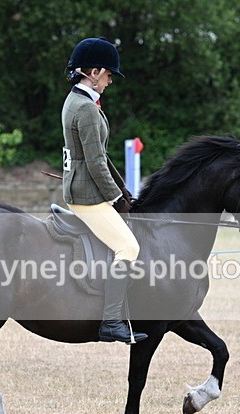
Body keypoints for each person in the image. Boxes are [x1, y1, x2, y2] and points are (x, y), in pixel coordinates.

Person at [61, 37, 147, 344]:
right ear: (94, 72)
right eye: (109, 75)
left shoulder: (80, 101)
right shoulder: (84, 108)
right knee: (129, 248)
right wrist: (115, 199)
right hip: (87, 198)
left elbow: (102, 157)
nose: (110, 81)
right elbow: (96, 164)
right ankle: (111, 321)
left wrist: (124, 192)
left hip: (87, 190)